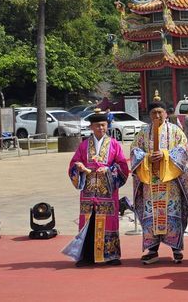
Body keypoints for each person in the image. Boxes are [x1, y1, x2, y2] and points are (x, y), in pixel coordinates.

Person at [130, 92, 188, 265]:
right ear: (149, 115)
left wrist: (165, 155)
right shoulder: (143, 133)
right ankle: (152, 249)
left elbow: (183, 152)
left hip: (170, 183)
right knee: (150, 214)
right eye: (154, 113)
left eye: (160, 112)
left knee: (173, 213)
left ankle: (176, 248)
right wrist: (147, 157)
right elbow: (135, 151)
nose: (157, 116)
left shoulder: (175, 132)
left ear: (166, 113)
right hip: (150, 183)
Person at [67, 108, 129, 267]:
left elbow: (122, 166)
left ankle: (111, 255)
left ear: (107, 126)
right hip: (88, 190)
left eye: (103, 125)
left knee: (109, 222)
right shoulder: (84, 145)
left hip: (107, 191)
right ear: (91, 127)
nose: (100, 128)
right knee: (88, 222)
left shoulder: (114, 144)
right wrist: (78, 166)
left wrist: (109, 169)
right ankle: (86, 256)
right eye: (97, 126)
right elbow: (74, 163)